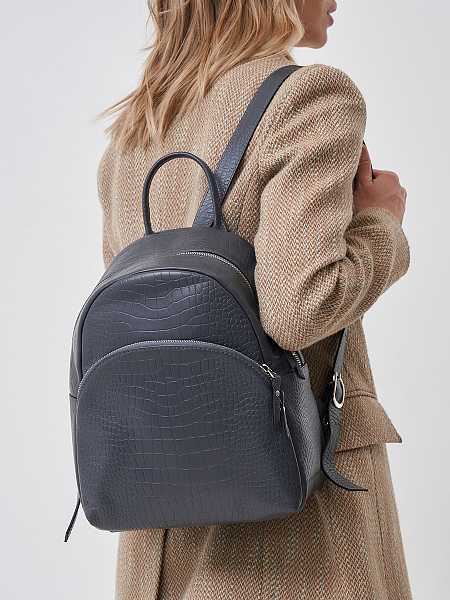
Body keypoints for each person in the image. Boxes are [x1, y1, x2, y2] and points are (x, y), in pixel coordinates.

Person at [98, 1, 412, 598]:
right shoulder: (309, 97)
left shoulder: (138, 128)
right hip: (293, 531)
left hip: (157, 522)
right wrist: (381, 225)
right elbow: (299, 308)